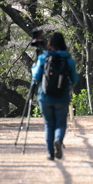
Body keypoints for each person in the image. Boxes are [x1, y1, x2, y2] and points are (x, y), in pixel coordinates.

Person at [31, 31, 79, 161]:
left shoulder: (43, 58)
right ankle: (58, 140)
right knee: (60, 123)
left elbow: (36, 77)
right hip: (62, 97)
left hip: (45, 97)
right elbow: (74, 80)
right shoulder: (68, 60)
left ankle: (50, 153)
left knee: (49, 124)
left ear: (50, 43)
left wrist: (33, 67)